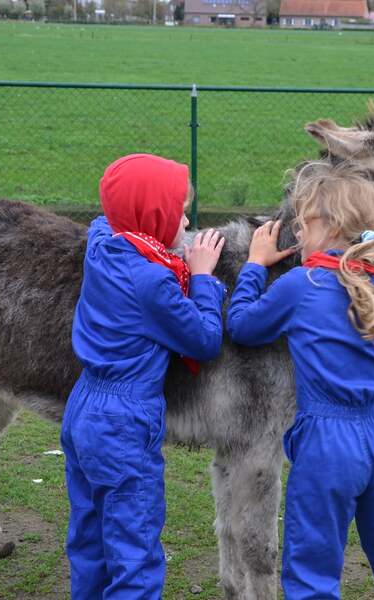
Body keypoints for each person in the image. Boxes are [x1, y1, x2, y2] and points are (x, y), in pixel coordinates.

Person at [226, 162, 374, 600]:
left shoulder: (300, 284)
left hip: (326, 445)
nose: (297, 234)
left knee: (312, 570)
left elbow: (242, 327)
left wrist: (254, 266)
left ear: (333, 226)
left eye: (304, 224)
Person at [60, 153, 226, 599]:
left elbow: (105, 218)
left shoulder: (102, 244)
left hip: (83, 408)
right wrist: (204, 277)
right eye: (179, 211)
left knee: (89, 538)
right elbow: (205, 340)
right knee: (135, 550)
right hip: (123, 420)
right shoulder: (153, 282)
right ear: (153, 217)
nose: (187, 219)